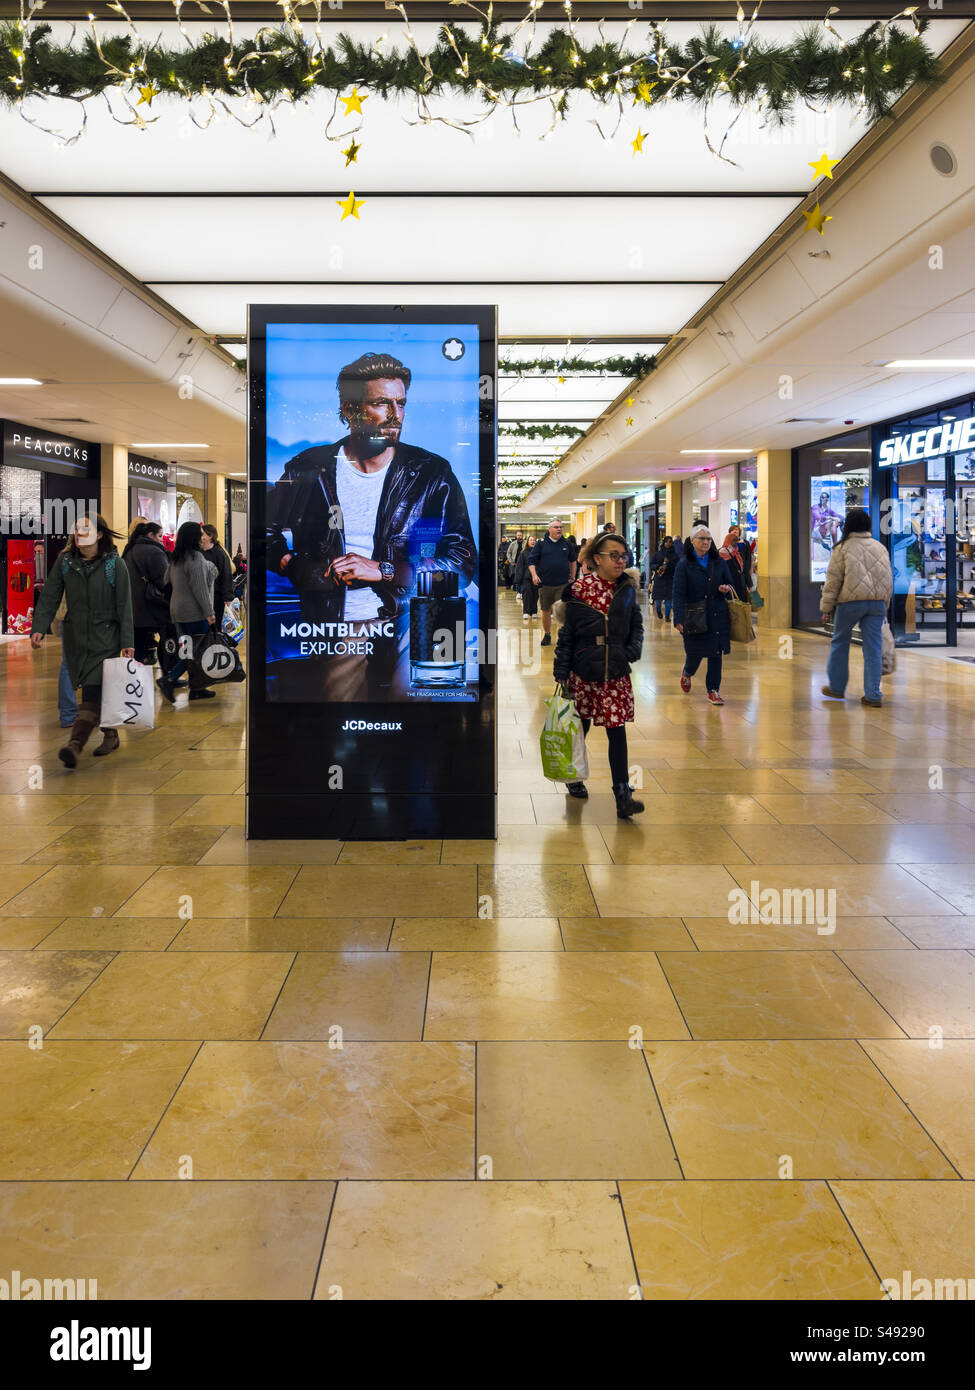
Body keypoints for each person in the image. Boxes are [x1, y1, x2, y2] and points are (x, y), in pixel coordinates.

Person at [266, 351, 476, 701]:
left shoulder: (432, 473)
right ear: (349, 410)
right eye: (382, 403)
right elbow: (265, 534)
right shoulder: (309, 468)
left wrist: (385, 570)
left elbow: (462, 564)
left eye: (401, 403)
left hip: (424, 609)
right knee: (343, 717)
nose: (396, 415)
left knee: (423, 712)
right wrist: (294, 565)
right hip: (343, 615)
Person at [552, 532, 645, 817]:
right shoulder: (579, 590)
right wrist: (562, 669)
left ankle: (622, 794)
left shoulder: (627, 588)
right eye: (613, 555)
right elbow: (568, 634)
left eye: (623, 556)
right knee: (580, 727)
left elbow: (636, 625)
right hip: (585, 670)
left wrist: (630, 651)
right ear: (596, 559)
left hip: (615, 671)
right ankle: (574, 777)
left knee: (617, 731)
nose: (620, 561)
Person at [30, 513, 134, 766]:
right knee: (97, 690)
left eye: (85, 529)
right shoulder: (65, 563)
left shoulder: (114, 565)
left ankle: (75, 745)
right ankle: (110, 733)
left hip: (106, 638)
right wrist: (39, 627)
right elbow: (50, 596)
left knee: (92, 690)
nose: (78, 533)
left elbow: (124, 605)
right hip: (77, 638)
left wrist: (127, 641)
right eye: (76, 529)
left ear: (99, 535)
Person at [820, 508, 893, 708]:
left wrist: (826, 607)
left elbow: (833, 581)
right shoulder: (879, 547)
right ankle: (873, 694)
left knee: (840, 642)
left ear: (848, 526)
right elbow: (888, 579)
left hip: (849, 603)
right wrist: (885, 603)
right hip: (877, 604)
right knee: (873, 648)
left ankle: (836, 687)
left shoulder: (842, 548)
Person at [672, 524, 745, 707]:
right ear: (693, 541)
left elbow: (729, 582)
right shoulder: (684, 564)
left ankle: (713, 690)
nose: (706, 542)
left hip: (717, 614)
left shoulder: (718, 560)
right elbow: (678, 593)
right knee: (695, 653)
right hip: (694, 615)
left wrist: (726, 589)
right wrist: (678, 618)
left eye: (708, 539)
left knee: (715, 654)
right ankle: (688, 672)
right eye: (702, 538)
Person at [156, 521, 218, 704]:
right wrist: (209, 612)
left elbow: (166, 581)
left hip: (177, 612)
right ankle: (169, 679)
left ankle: (196, 689)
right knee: (195, 651)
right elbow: (200, 589)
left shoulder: (175, 558)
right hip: (194, 613)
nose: (202, 536)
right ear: (193, 537)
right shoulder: (195, 558)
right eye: (199, 533)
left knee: (188, 648)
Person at [123, 521, 171, 665]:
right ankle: (168, 675)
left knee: (137, 647)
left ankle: (134, 680)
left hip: (133, 606)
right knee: (167, 641)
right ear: (151, 535)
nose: (161, 539)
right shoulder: (154, 551)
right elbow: (164, 580)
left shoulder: (129, 549)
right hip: (152, 605)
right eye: (160, 536)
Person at [528, 518, 577, 647]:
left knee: (561, 612)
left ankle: (562, 637)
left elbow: (573, 561)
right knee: (546, 611)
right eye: (556, 527)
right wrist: (534, 575)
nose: (559, 529)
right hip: (545, 585)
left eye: (560, 527)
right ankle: (547, 634)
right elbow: (531, 561)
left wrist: (572, 578)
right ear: (550, 529)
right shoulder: (541, 544)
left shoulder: (566, 544)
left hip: (562, 584)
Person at [201, 523, 234, 633]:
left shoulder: (219, 553)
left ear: (210, 536)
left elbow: (226, 575)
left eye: (202, 534)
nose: (200, 537)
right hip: (203, 596)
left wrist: (228, 597)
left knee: (215, 626)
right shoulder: (199, 553)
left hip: (216, 597)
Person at [649, 535, 678, 620]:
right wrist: (658, 566)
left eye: (670, 542)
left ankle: (667, 616)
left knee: (669, 599)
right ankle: (658, 611)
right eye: (666, 542)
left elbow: (678, 566)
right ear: (663, 543)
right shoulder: (657, 554)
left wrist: (670, 563)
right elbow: (652, 564)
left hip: (670, 579)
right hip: (659, 579)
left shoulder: (674, 555)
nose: (668, 544)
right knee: (658, 600)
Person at [719, 524, 753, 591]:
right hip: (728, 586)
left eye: (736, 541)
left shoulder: (739, 554)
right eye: (733, 530)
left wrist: (749, 584)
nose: (735, 543)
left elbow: (745, 566)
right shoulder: (721, 553)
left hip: (740, 583)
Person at [512, 534, 537, 619]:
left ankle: (534, 611)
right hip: (526, 577)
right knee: (527, 594)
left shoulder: (538, 553)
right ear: (528, 542)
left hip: (536, 577)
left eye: (534, 540)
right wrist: (518, 579)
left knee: (535, 594)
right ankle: (526, 611)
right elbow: (519, 566)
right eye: (531, 540)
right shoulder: (523, 553)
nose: (532, 541)